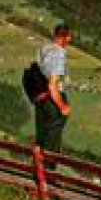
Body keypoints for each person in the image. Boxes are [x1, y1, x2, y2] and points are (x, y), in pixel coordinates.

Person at [33, 22, 72, 152]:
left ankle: (38, 170)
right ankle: (48, 170)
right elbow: (52, 85)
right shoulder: (58, 53)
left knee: (41, 137)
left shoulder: (43, 48)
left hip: (40, 98)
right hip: (52, 99)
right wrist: (62, 106)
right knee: (52, 140)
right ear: (66, 37)